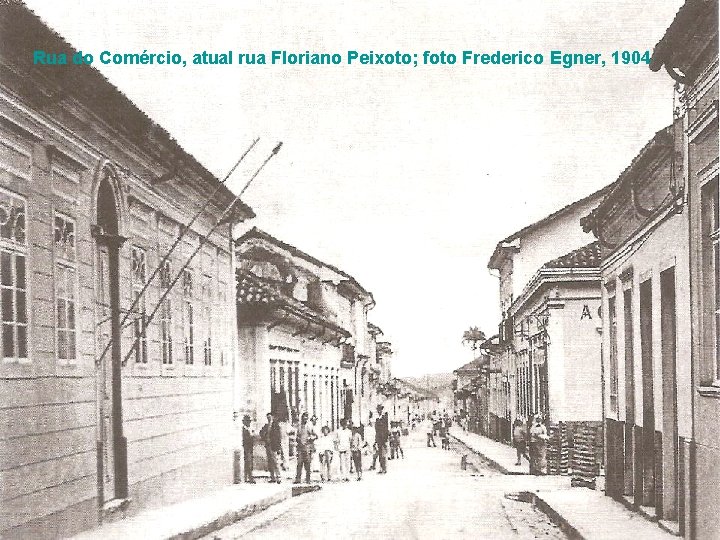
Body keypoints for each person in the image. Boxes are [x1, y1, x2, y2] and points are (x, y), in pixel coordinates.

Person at [259, 413, 281, 483]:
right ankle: (272, 477)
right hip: (268, 445)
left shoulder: (275, 425)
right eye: (267, 417)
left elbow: (278, 437)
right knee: (270, 462)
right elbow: (261, 432)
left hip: (273, 446)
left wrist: (278, 448)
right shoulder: (266, 426)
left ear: (272, 417)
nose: (269, 418)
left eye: (270, 417)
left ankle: (278, 477)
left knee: (275, 461)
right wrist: (264, 436)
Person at [294, 412, 316, 484]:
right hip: (300, 447)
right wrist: (298, 439)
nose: (305, 419)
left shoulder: (310, 426)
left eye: (306, 418)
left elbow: (315, 435)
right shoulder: (299, 426)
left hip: (307, 447)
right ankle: (298, 479)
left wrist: (310, 438)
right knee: (299, 463)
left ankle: (308, 479)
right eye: (303, 418)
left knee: (307, 464)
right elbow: (297, 435)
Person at [375, 405, 389, 474]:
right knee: (380, 455)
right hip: (379, 439)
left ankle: (384, 468)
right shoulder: (377, 419)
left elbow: (386, 429)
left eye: (380, 410)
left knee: (383, 455)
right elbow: (376, 430)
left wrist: (386, 439)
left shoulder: (384, 418)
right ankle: (381, 468)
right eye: (378, 410)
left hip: (383, 439)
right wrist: (376, 440)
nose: (379, 411)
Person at [241, 414, 256, 483]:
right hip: (247, 448)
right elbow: (246, 439)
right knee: (248, 463)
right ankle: (250, 478)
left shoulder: (247, 429)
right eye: (248, 421)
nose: (249, 423)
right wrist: (251, 436)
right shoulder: (244, 430)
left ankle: (247, 477)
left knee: (249, 463)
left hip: (249, 448)